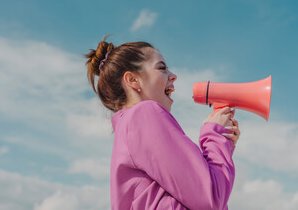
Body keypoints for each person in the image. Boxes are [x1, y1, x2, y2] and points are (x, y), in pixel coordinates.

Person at [85, 36, 240, 210]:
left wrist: (220, 145)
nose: (173, 76)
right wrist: (215, 135)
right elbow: (210, 197)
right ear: (133, 80)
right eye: (162, 68)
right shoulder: (143, 114)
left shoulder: (127, 125)